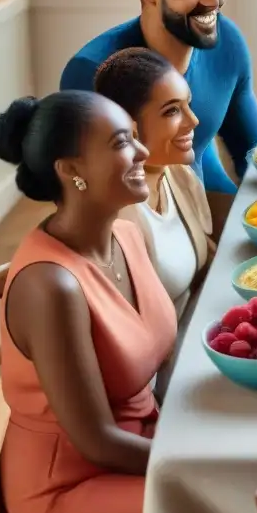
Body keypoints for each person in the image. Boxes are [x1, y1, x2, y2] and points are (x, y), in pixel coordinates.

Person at [0, 91, 178, 513]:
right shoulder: (50, 287)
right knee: (230, 508)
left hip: (141, 443)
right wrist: (191, 461)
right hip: (69, 485)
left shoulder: (128, 236)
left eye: (135, 137)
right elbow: (96, 441)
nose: (143, 152)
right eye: (120, 143)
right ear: (70, 170)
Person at [59, 0, 257, 230]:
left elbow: (249, 149)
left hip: (199, 187)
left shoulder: (228, 41)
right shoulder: (91, 73)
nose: (215, 0)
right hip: (137, 218)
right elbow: (85, 195)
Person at [94, 47, 215, 326]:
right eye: (172, 110)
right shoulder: (115, 217)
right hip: (158, 362)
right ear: (129, 127)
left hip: (192, 335)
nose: (193, 120)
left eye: (188, 104)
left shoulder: (175, 175)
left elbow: (207, 257)